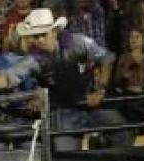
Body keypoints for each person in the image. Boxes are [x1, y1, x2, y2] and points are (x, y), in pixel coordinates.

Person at [13, 8, 128, 152]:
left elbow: (107, 58)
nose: (40, 40)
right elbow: (10, 76)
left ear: (54, 32)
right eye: (36, 36)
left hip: (91, 104)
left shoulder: (79, 42)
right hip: (62, 111)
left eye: (43, 34)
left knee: (121, 131)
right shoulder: (32, 59)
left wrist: (101, 89)